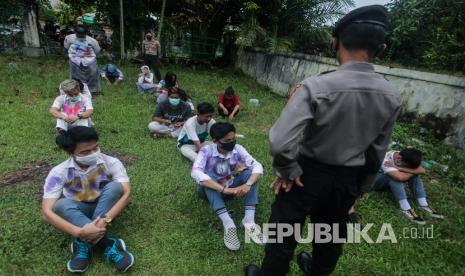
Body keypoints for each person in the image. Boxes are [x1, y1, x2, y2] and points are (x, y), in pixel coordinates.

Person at [245, 5, 401, 276]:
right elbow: (378, 150)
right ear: (382, 49)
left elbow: (280, 140)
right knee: (329, 237)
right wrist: (362, 185)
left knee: (283, 235)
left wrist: (288, 170)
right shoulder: (391, 94)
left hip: (304, 175)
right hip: (347, 181)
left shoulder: (316, 86)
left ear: (334, 42)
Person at [41, 126, 134, 273]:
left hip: (106, 207)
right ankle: (107, 244)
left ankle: (84, 242)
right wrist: (79, 232)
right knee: (60, 205)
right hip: (79, 207)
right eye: (85, 152)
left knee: (115, 187)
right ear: (70, 152)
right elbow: (47, 212)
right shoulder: (58, 172)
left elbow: (127, 195)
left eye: (95, 148)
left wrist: (105, 220)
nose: (93, 153)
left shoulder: (111, 162)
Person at [191, 122, 265, 251]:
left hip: (229, 187)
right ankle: (228, 223)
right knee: (207, 178)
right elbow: (196, 172)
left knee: (249, 174)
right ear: (216, 141)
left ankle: (249, 220)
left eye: (233, 138)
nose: (232, 142)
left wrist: (248, 184)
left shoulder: (238, 149)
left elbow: (257, 166)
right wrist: (225, 190)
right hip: (209, 191)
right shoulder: (206, 150)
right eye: (228, 140)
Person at [374, 148, 444, 224]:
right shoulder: (386, 160)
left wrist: (399, 168)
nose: (406, 167)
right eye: (405, 165)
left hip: (389, 183)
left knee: (414, 175)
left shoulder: (406, 157)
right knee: (396, 178)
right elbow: (400, 177)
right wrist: (413, 171)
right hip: (375, 182)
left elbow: (422, 170)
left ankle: (423, 205)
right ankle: (405, 208)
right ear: (398, 158)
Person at [64, 25, 101, 97]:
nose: (80, 36)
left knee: (92, 75)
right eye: (78, 34)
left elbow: (97, 50)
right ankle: (75, 91)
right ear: (75, 33)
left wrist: (86, 56)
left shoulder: (92, 41)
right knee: (74, 76)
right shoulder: (69, 38)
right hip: (75, 60)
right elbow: (66, 46)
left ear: (86, 33)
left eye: (82, 34)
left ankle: (93, 91)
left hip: (89, 60)